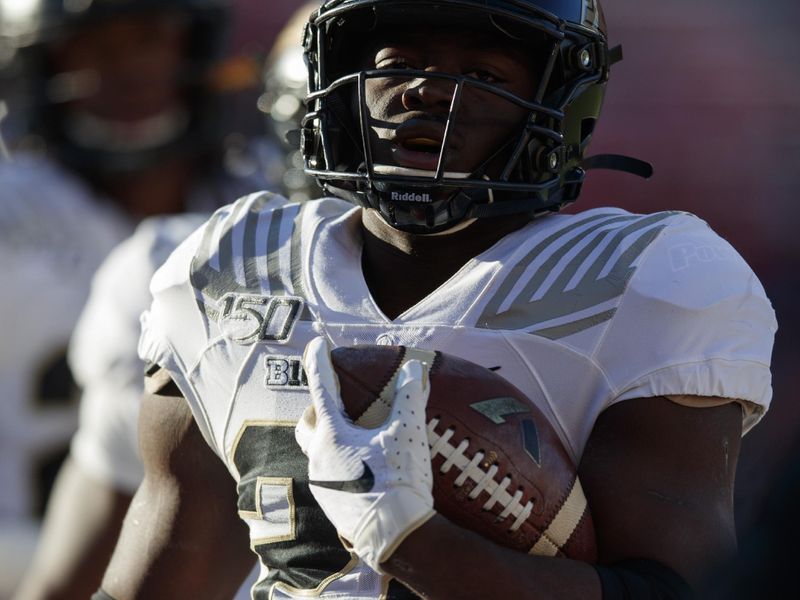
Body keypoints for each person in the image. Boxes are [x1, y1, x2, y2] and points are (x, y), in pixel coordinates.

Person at [99, 1, 777, 599]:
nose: (428, 89)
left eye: (484, 73)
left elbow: (680, 589)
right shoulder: (230, 267)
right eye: (398, 60)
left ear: (559, 105)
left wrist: (417, 547)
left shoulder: (641, 280)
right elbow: (156, 581)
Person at [0, 0, 272, 596]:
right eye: (96, 47)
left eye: (150, 40)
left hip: (199, 553)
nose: (128, 70)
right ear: (41, 59)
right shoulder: (12, 210)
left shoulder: (257, 206)